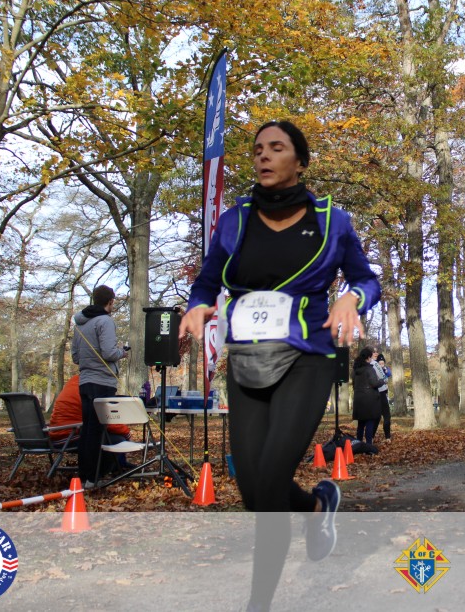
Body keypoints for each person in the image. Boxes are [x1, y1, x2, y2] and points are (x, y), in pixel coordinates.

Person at [178, 120, 380, 612]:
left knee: (270, 482)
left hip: (308, 358)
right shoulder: (234, 221)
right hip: (247, 359)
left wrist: (350, 298)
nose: (263, 156)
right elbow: (207, 280)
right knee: (252, 491)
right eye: (257, 150)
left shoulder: (332, 220)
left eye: (276, 148)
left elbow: (366, 279)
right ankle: (316, 505)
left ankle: (258, 604)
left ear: (300, 162)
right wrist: (198, 305)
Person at [70, 285, 129, 488]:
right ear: (110, 301)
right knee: (97, 431)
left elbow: (75, 357)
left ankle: (83, 475)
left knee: (87, 429)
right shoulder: (105, 321)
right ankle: (92, 478)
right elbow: (109, 353)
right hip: (102, 382)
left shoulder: (80, 324)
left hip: (85, 382)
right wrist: (123, 352)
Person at [50, 374, 131, 471]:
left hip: (57, 433)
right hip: (68, 436)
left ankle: (116, 465)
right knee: (118, 440)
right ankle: (101, 471)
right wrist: (126, 433)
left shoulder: (75, 381)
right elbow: (104, 419)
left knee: (108, 435)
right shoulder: (90, 388)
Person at [353, 347, 384, 445]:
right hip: (369, 399)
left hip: (358, 398)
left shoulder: (355, 370)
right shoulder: (369, 369)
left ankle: (358, 444)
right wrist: (382, 381)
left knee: (361, 424)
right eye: (370, 357)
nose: (371, 359)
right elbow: (374, 383)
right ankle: (369, 444)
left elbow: (354, 385)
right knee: (370, 422)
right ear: (368, 358)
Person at [375, 353, 392, 440]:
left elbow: (389, 373)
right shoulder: (375, 369)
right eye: (380, 363)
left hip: (384, 392)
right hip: (379, 392)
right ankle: (386, 436)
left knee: (384, 416)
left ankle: (387, 436)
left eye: (383, 363)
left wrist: (385, 370)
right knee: (379, 416)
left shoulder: (385, 369)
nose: (382, 364)